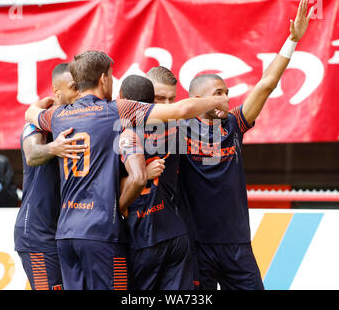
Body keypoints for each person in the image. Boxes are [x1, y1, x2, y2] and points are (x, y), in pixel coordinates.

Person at [24, 50, 229, 290]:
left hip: (66, 233)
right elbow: (180, 111)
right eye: (111, 75)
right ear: (104, 79)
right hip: (101, 230)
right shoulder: (116, 110)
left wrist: (40, 105)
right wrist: (216, 101)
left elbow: (30, 114)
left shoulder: (57, 115)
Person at [177, 0, 314, 290]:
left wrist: (292, 40)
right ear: (197, 99)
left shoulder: (234, 124)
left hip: (237, 245)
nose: (226, 98)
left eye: (227, 92)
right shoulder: (178, 132)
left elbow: (266, 84)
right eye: (218, 93)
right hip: (197, 245)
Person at [14, 63, 88, 290]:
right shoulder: (37, 123)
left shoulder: (83, 121)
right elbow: (32, 154)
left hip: (69, 232)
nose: (80, 94)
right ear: (57, 92)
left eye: (82, 87)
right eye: (75, 88)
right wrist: (54, 148)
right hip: (37, 233)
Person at [118, 74, 193, 290]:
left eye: (173, 99)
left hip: (173, 232)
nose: (168, 106)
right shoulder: (117, 129)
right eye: (160, 99)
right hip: (137, 236)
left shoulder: (180, 129)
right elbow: (102, 184)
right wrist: (140, 175)